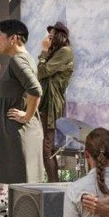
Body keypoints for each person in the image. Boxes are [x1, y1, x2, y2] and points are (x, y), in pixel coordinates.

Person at [0, 19, 44, 184]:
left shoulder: (17, 60)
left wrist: (27, 116)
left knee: (21, 187)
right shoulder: (23, 59)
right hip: (17, 132)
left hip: (20, 133)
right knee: (21, 189)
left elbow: (36, 90)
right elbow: (2, 98)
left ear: (13, 38)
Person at [38, 23, 77, 180]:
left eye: (52, 35)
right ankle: (53, 182)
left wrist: (43, 52)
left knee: (47, 147)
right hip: (47, 100)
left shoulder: (65, 52)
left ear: (60, 36)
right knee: (47, 146)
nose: (49, 39)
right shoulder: (56, 53)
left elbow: (42, 72)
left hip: (52, 103)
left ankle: (54, 184)